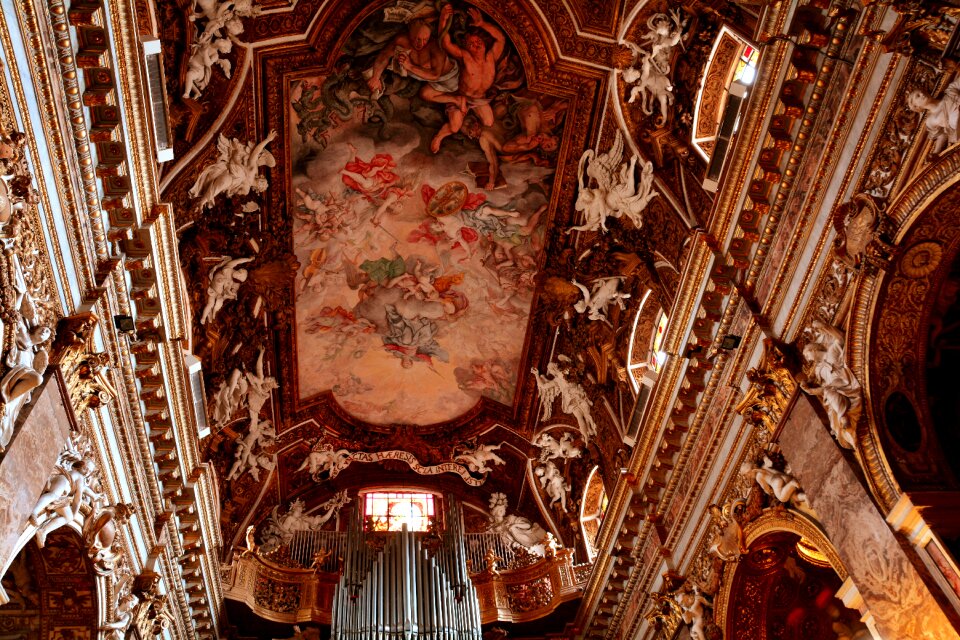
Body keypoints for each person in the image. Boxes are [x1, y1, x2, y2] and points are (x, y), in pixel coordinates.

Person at [430, 5, 505, 153]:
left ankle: (470, 121)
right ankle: (439, 136)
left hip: (479, 99)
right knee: (454, 127)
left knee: (489, 122)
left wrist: (482, 24)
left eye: (479, 43)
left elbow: (501, 39)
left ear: (484, 43)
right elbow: (446, 43)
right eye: (471, 44)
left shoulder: (491, 57)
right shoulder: (465, 56)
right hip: (461, 97)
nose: (476, 46)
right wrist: (443, 19)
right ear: (466, 47)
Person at [366, 19, 460, 108]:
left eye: (425, 39)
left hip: (450, 80)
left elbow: (435, 74)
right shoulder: (401, 41)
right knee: (424, 94)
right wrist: (375, 77)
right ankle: (456, 99)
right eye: (418, 39)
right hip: (431, 83)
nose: (421, 44)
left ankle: (458, 99)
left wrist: (409, 66)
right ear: (410, 34)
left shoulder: (435, 47)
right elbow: (384, 55)